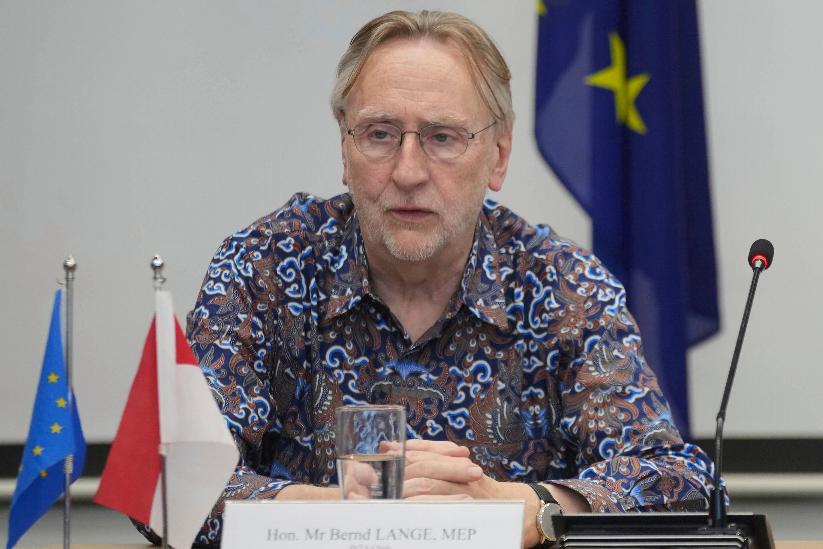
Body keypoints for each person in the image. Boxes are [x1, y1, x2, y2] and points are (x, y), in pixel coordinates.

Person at [140, 9, 715, 548]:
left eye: (443, 137)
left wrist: (529, 508)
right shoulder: (264, 268)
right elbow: (166, 479)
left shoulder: (564, 286)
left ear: (498, 155)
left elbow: (680, 487)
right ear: (345, 146)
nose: (409, 171)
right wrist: (325, 514)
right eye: (381, 134)